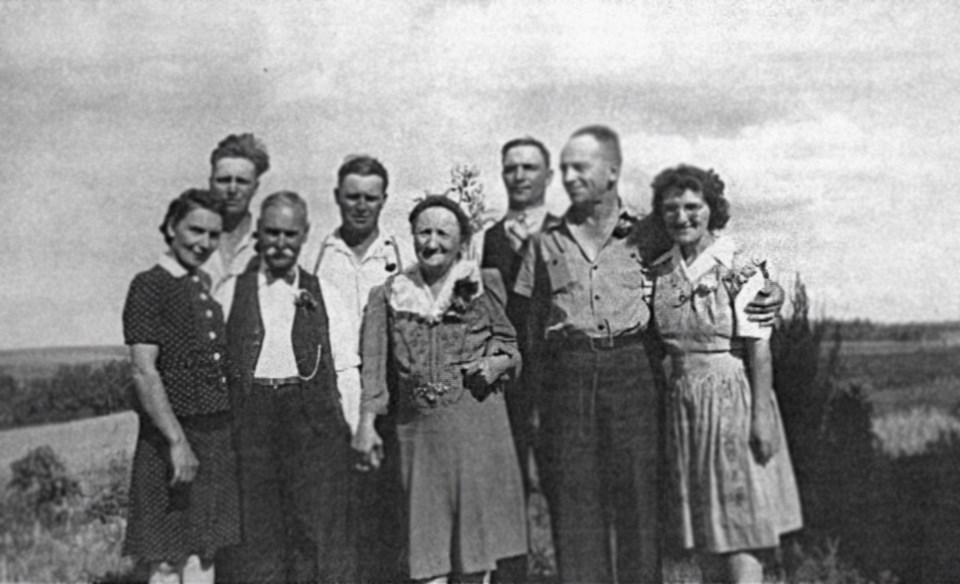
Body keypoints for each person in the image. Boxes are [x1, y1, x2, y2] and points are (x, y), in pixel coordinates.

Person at [514, 125, 784, 583]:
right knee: (578, 506)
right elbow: (526, 324)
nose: (571, 177)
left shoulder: (649, 233)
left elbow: (712, 261)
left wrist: (772, 289)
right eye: (566, 170)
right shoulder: (546, 241)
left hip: (632, 369)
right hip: (570, 371)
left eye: (583, 167)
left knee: (641, 505)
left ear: (612, 171)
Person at [354, 195, 527, 584]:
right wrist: (366, 426)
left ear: (462, 241)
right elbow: (375, 372)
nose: (431, 242)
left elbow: (512, 349)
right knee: (426, 553)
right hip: (420, 436)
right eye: (423, 232)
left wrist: (495, 363)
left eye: (442, 233)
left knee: (474, 556)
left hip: (478, 432)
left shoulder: (483, 286)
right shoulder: (388, 294)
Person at [647, 165, 802, 583]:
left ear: (711, 209)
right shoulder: (659, 272)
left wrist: (762, 418)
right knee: (706, 527)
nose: (682, 217)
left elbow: (760, 349)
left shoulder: (738, 269)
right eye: (671, 209)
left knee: (741, 524)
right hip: (684, 407)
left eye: (692, 207)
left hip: (733, 401)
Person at [218, 192, 356, 583]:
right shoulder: (231, 291)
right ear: (259, 233)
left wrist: (350, 430)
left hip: (310, 417)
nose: (281, 243)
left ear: (305, 235)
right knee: (257, 531)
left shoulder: (326, 291)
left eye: (290, 234)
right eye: (272, 233)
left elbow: (346, 368)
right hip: (253, 418)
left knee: (312, 528)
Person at [122, 188, 239, 584]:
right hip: (170, 437)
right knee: (167, 556)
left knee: (204, 550)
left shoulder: (202, 285)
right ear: (172, 227)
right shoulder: (150, 285)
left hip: (214, 436)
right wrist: (176, 441)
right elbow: (143, 371)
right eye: (195, 231)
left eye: (213, 235)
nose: (204, 243)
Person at [310, 154, 411, 583]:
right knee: (336, 513)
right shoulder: (321, 255)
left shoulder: (398, 253)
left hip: (385, 397)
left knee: (386, 511)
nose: (361, 206)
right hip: (331, 398)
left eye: (371, 197)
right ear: (337, 197)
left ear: (384, 199)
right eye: (352, 197)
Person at [480, 136, 559, 582]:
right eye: (511, 168)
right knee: (506, 493)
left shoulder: (569, 233)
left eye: (530, 168)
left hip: (560, 380)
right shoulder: (487, 239)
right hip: (505, 384)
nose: (520, 176)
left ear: (547, 176)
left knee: (566, 491)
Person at [202, 133, 270, 317]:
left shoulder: (270, 245)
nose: (232, 189)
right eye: (224, 180)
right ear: (210, 183)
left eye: (242, 181)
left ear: (255, 187)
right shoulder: (188, 243)